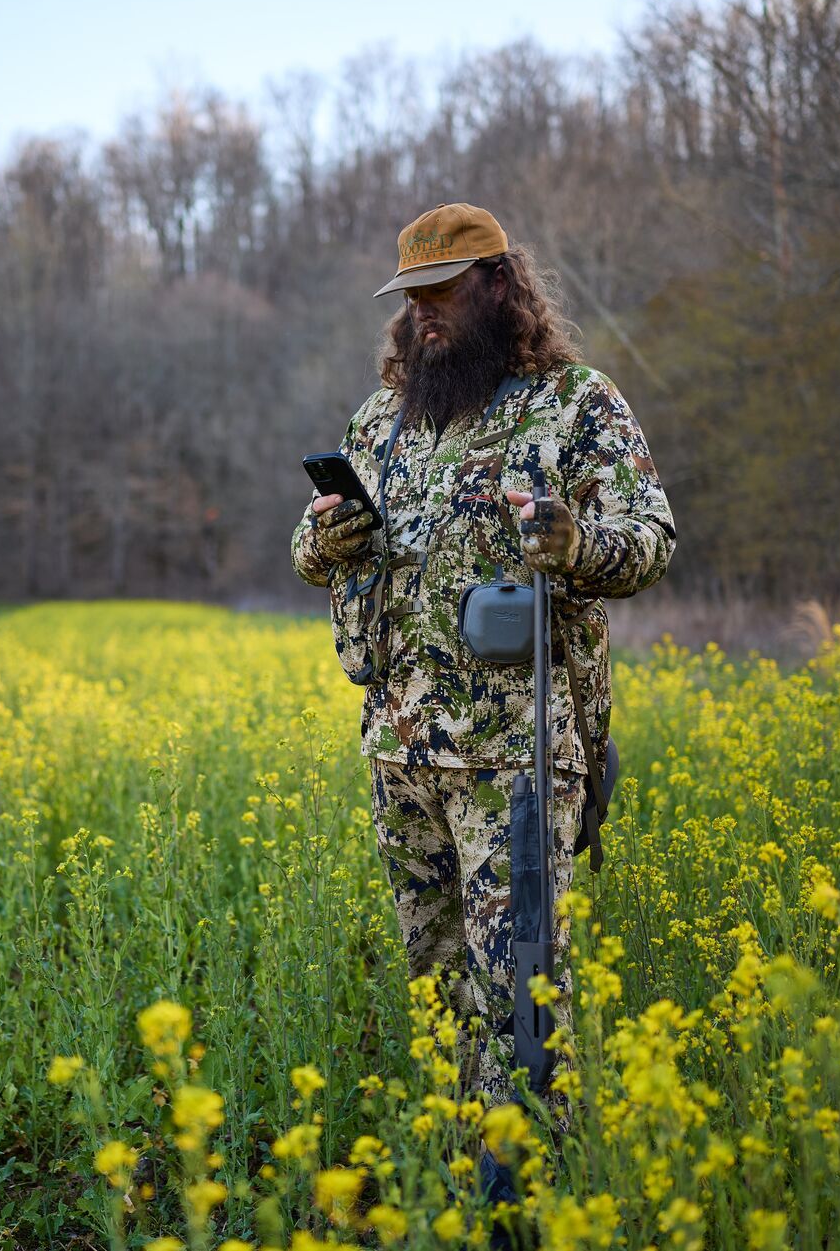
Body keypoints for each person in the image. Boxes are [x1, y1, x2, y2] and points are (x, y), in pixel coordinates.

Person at [290, 203, 676, 1122]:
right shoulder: (383, 422)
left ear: (500, 286)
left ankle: (527, 1179)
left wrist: (577, 545)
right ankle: (458, 1165)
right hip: (399, 754)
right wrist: (329, 536)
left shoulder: (575, 404)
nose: (424, 312)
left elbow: (652, 539)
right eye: (411, 296)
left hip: (519, 758)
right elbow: (307, 554)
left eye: (443, 291)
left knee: (523, 999)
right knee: (436, 990)